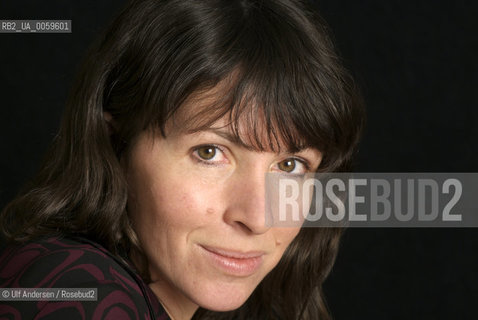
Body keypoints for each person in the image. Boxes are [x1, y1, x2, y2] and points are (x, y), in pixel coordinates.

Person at [0, 0, 364, 319]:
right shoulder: (76, 293)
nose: (257, 218)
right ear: (116, 145)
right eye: (209, 153)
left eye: (290, 166)